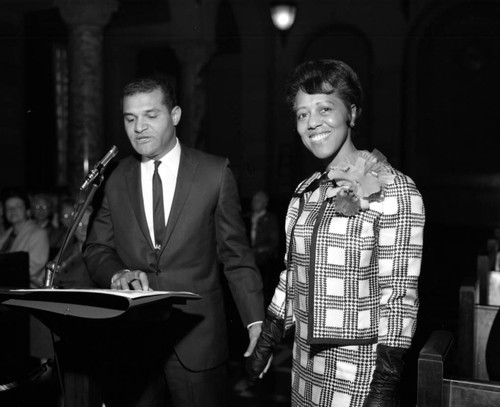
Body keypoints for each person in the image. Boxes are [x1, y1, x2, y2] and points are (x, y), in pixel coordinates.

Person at [246, 59, 425, 406]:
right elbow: (292, 274)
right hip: (303, 363)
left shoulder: (396, 191)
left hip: (360, 370)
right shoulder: (305, 192)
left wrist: (385, 383)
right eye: (301, 114)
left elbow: (400, 295)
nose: (312, 122)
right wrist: (268, 337)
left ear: (352, 113)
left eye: (325, 108)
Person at [83, 75, 264, 407]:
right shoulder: (116, 178)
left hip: (198, 340)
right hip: (135, 340)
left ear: (175, 115)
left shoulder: (214, 172)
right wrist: (117, 274)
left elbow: (236, 256)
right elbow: (96, 247)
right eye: (130, 118)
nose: (139, 127)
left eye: (151, 115)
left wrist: (255, 321)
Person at [248, 190, 281, 307]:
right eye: (253, 200)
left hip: (263, 261)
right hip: (247, 259)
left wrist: (256, 251)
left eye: (258, 200)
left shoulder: (270, 219)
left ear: (264, 203)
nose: (254, 203)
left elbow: (273, 243)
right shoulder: (247, 217)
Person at [53, 206, 97, 289]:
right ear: (73, 227)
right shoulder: (67, 249)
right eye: (80, 224)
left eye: (87, 224)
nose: (84, 228)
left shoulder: (99, 254)